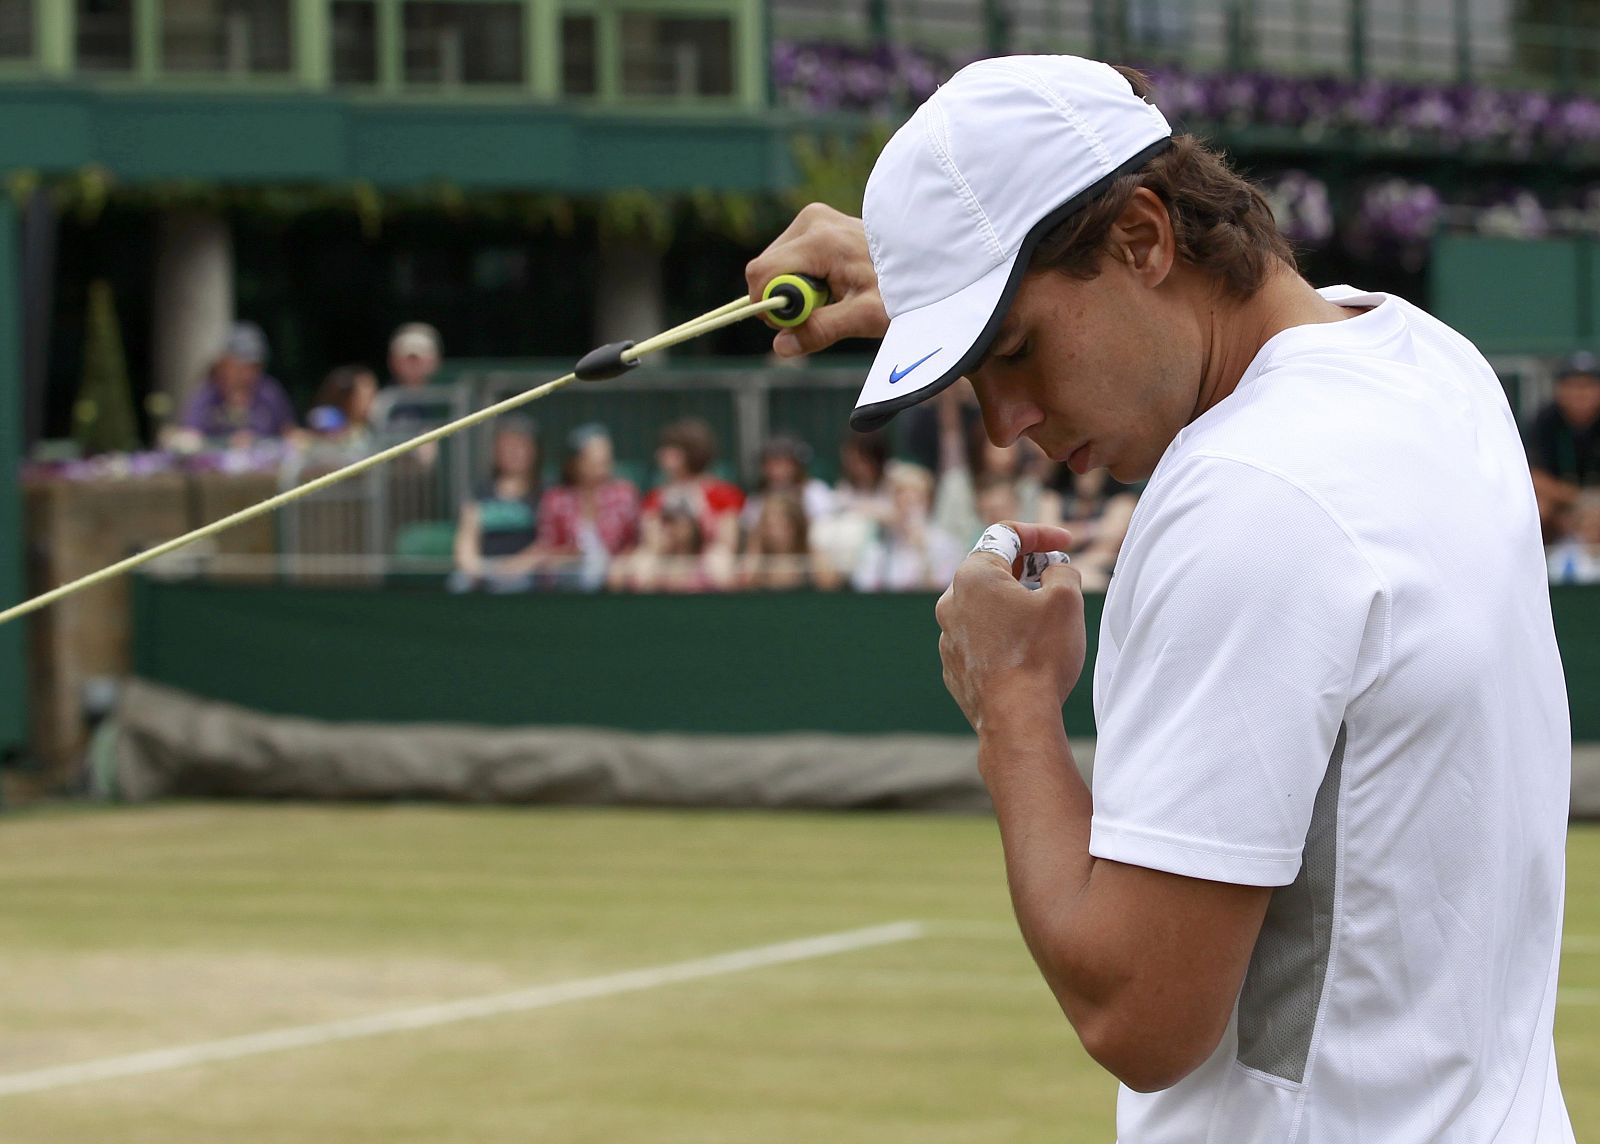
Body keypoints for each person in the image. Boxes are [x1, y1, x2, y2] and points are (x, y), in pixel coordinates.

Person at [746, 55, 1573, 1141]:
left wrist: (1012, 704)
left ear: (1143, 236)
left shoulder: (1246, 496)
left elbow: (1139, 1010)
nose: (1004, 423)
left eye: (1012, 349)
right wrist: (939, 265)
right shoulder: (1425, 359)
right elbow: (1166, 283)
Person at [536, 423, 641, 591]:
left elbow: (636, 542)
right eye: (592, 457)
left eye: (605, 457)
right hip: (567, 588)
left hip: (616, 586)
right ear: (575, 462)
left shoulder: (624, 495)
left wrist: (621, 563)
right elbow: (547, 548)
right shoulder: (555, 499)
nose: (601, 462)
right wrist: (571, 557)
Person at [448, 418, 541, 594]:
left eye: (520, 446)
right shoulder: (480, 492)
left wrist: (513, 568)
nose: (514, 453)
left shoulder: (544, 492)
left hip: (526, 571)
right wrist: (473, 567)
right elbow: (466, 537)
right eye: (507, 446)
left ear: (533, 451)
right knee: (459, 582)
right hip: (484, 567)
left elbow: (546, 543)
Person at [849, 461, 965, 592]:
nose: (908, 509)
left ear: (928, 502)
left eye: (916, 501)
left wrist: (922, 551)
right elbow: (864, 586)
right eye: (902, 500)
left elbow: (943, 593)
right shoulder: (879, 545)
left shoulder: (946, 544)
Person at [179, 321, 298, 444]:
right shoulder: (207, 394)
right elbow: (189, 436)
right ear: (225, 364)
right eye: (240, 367)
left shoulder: (270, 392)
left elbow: (290, 433)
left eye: (254, 367)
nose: (247, 374)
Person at [1526, 351, 1600, 541]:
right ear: (1559, 389)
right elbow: (1532, 475)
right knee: (1538, 510)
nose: (1580, 394)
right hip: (1562, 503)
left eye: (1588, 386)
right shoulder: (1545, 420)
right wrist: (1574, 499)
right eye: (1572, 386)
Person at [640, 418, 744, 551]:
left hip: (710, 561)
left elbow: (728, 542)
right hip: (669, 563)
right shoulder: (656, 497)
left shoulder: (724, 494)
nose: (661, 455)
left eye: (670, 449)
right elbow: (652, 543)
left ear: (690, 452)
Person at [739, 491, 835, 590]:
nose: (775, 532)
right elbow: (746, 581)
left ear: (796, 526)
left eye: (782, 525)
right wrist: (755, 546)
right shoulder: (758, 552)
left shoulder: (810, 552)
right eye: (769, 526)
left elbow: (830, 582)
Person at [738, 435, 835, 532]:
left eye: (784, 463)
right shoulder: (756, 500)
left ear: (797, 465)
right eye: (771, 463)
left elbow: (826, 529)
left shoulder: (815, 491)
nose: (777, 470)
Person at [305, 364, 378, 441]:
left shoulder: (375, 422)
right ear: (347, 397)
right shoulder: (328, 418)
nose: (371, 402)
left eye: (372, 395)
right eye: (365, 397)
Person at [388, 322, 443, 390]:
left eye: (421, 359)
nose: (413, 364)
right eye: (408, 359)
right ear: (393, 361)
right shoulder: (379, 399)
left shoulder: (454, 398)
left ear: (436, 360)